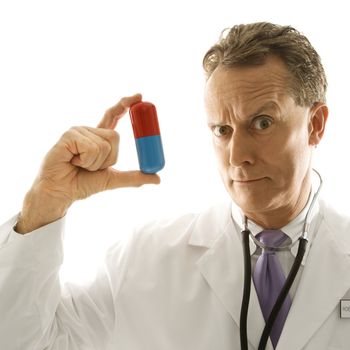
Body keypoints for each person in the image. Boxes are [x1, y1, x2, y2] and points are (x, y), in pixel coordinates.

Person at [0, 21, 349, 350]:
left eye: (262, 122)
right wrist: (45, 203)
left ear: (315, 124)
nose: (237, 156)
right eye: (222, 130)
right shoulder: (146, 260)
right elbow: (25, 341)